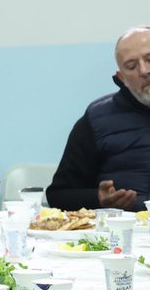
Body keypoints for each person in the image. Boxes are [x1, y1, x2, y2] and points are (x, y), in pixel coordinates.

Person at [47, 26, 150, 210]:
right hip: (124, 232)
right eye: (131, 66)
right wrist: (98, 198)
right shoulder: (97, 119)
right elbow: (58, 195)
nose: (144, 71)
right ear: (122, 78)